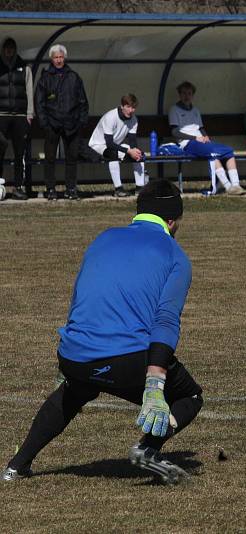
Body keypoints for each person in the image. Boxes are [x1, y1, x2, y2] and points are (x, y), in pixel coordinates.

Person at [2, 180, 202, 485]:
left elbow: (83, 293)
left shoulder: (104, 238)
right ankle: (148, 448)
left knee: (73, 391)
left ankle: (17, 465)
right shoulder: (176, 255)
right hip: (127, 362)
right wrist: (154, 384)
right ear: (172, 221)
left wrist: (67, 354)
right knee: (190, 395)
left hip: (75, 354)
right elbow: (165, 321)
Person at [168, 81, 246, 195]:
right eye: (184, 93)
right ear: (179, 95)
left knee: (229, 151)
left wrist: (205, 136)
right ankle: (228, 187)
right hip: (188, 143)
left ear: (192, 95)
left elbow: (201, 128)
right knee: (213, 154)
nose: (186, 96)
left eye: (189, 93)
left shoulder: (195, 110)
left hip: (201, 141)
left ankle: (236, 185)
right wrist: (195, 138)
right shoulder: (174, 109)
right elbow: (175, 132)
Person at [34, 44, 88, 201]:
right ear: (51, 59)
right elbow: (40, 103)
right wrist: (44, 123)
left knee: (71, 158)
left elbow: (83, 101)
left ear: (64, 58)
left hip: (72, 125)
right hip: (52, 125)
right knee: (50, 158)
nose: (58, 60)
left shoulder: (74, 77)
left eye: (61, 57)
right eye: (56, 57)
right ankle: (51, 189)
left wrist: (81, 121)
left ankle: (71, 189)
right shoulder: (45, 78)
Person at [88, 94, 147, 197]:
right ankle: (118, 189)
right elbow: (109, 143)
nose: (131, 110)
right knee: (113, 154)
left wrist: (134, 151)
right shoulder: (110, 117)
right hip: (97, 145)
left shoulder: (134, 120)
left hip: (115, 145)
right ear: (122, 106)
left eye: (133, 107)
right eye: (128, 107)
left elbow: (132, 141)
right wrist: (128, 151)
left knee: (139, 153)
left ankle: (140, 188)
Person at [0, 37, 33, 201]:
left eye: (11, 48)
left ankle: (18, 187)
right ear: (3, 50)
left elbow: (29, 90)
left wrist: (30, 113)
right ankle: (0, 185)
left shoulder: (25, 67)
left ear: (15, 50)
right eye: (6, 48)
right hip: (2, 116)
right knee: (0, 151)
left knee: (19, 154)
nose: (9, 51)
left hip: (20, 116)